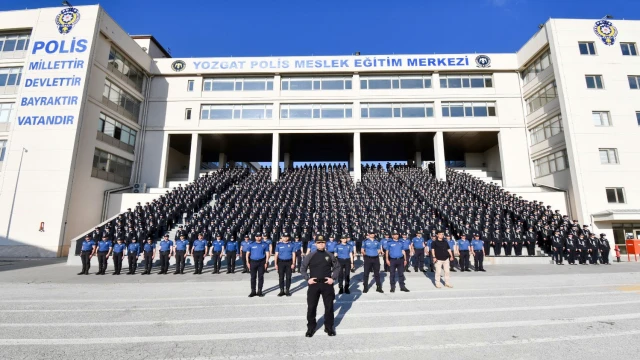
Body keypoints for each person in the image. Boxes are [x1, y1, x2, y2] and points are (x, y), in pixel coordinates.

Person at [300, 235, 339, 337]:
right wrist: (308, 279)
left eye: (322, 242)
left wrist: (333, 278)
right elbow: (303, 268)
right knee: (312, 307)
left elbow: (337, 267)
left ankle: (329, 327)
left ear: (325, 243)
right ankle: (311, 328)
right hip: (314, 285)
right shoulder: (310, 255)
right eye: (319, 243)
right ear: (315, 244)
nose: (321, 244)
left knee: (329, 307)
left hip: (327, 284)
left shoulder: (330, 255)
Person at [246, 233, 270, 297]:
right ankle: (253, 291)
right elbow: (247, 254)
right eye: (257, 236)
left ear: (261, 237)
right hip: (253, 262)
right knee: (253, 277)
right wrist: (247, 262)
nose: (258, 237)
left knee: (260, 277)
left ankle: (259, 291)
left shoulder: (265, 244)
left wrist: (266, 262)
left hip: (261, 262)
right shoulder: (251, 244)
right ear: (255, 237)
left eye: (259, 236)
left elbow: (267, 253)